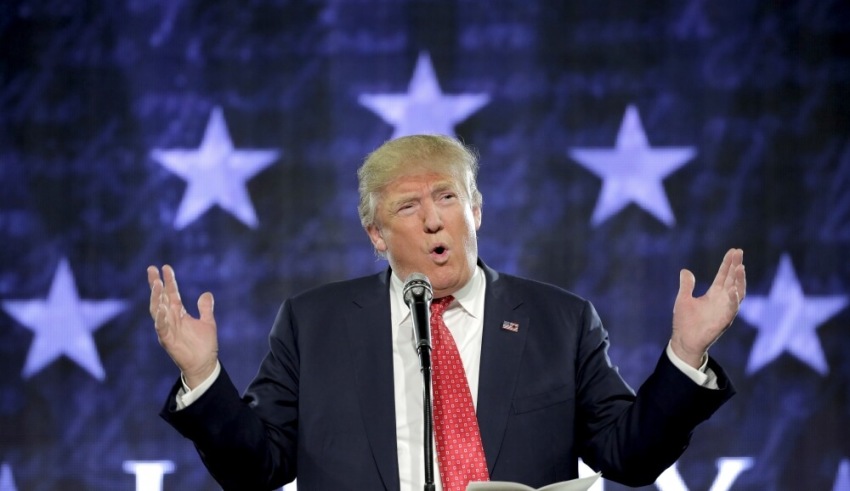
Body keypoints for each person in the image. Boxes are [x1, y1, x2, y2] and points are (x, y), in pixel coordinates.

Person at [148, 134, 746, 491]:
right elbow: (259, 469)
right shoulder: (315, 324)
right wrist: (204, 378)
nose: (434, 220)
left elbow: (630, 455)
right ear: (375, 235)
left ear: (477, 212)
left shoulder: (559, 322)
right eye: (408, 206)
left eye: (448, 197)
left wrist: (686, 355)